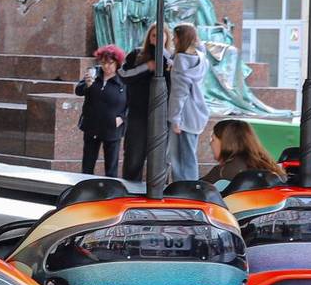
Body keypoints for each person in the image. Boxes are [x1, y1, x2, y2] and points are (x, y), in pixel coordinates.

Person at [74, 44, 127, 178]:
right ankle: (85, 184)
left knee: (111, 165)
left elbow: (131, 103)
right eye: (103, 63)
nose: (106, 66)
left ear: (117, 63)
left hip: (112, 126)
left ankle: (110, 188)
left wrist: (121, 118)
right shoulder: (94, 73)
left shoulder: (123, 79)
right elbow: (78, 91)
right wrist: (87, 85)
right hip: (92, 124)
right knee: (88, 163)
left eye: (110, 63)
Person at [118, 25, 161, 182]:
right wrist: (146, 67)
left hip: (161, 115)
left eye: (161, 36)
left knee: (160, 159)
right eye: (154, 35)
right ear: (149, 37)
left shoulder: (170, 58)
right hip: (138, 114)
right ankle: (130, 187)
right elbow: (123, 74)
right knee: (134, 156)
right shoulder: (137, 54)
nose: (157, 39)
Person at [168, 24, 209, 183]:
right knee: (190, 155)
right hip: (197, 113)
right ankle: (191, 187)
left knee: (179, 158)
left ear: (181, 38)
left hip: (184, 115)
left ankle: (183, 189)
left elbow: (179, 94)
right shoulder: (201, 57)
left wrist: (175, 119)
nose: (173, 40)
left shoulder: (180, 60)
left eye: (175, 37)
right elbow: (201, 47)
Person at [206, 118, 284, 185]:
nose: (210, 144)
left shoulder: (222, 171)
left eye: (213, 139)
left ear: (225, 142)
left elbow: (200, 191)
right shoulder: (270, 166)